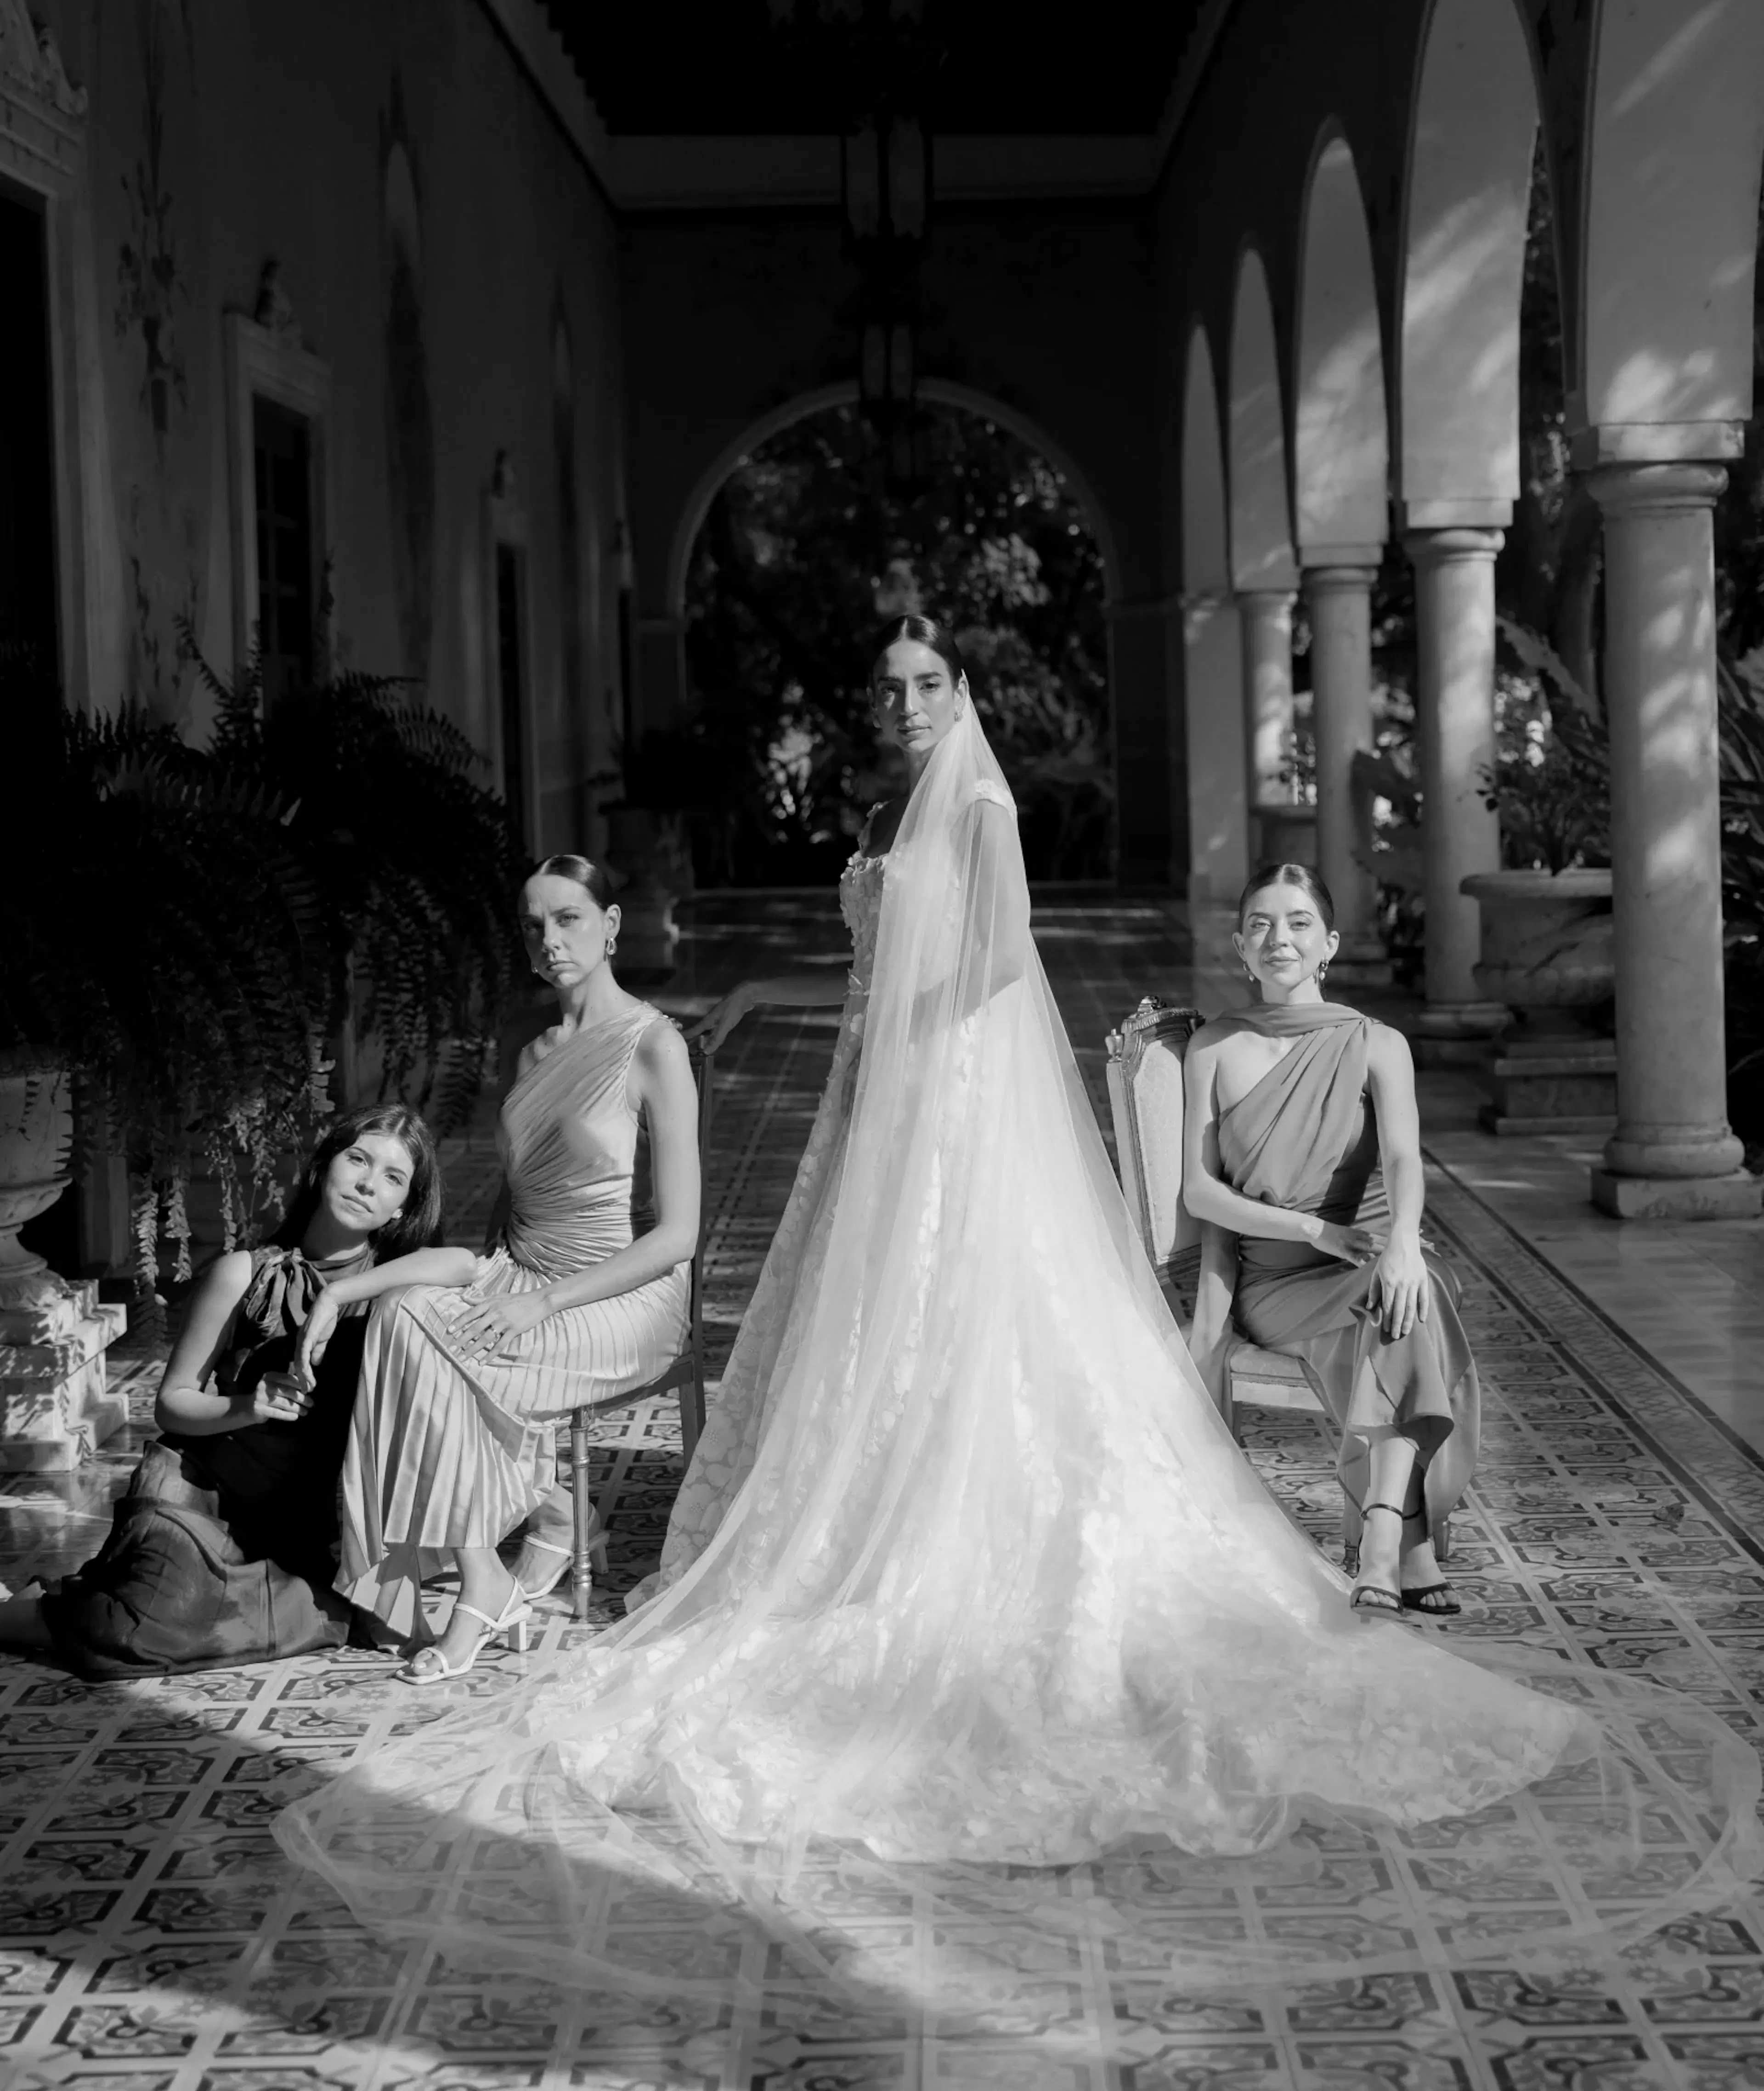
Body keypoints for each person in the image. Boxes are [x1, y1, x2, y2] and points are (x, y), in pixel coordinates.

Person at [278, 617, 1759, 2010]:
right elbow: (878, 964)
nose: (905, 705)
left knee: (973, 1317)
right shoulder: (875, 822)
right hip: (885, 1081)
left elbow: (990, 966)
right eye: (890, 688)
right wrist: (866, 1053)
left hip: (960, 1088)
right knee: (868, 1331)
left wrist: (906, 1052)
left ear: (961, 696)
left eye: (927, 685)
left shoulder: (977, 814)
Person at [300, 853, 700, 1680]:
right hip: (521, 1272)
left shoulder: (655, 1044)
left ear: (612, 927)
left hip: (622, 1293)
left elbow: (679, 1237)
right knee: (403, 1313)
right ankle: (521, 1544)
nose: (549, 939)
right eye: (533, 924)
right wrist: (346, 1287)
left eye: (569, 919)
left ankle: (502, 1566)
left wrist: (543, 1303)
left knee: (435, 1341)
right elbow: (504, 1222)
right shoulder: (524, 1040)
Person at [0, 1106, 448, 1678]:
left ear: (403, 1207)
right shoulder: (244, 1272)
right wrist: (248, 1405)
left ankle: (105, 1595)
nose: (367, 1184)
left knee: (325, 1619)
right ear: (323, 1166)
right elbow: (173, 1403)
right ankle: (24, 1616)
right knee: (134, 1631)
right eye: (357, 1159)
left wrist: (339, 1297)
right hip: (197, 1497)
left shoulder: (403, 1284)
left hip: (295, 1527)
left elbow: (469, 1266)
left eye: (393, 1177)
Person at [1182, 863, 1476, 1617]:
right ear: (1241, 950)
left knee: (1412, 1283)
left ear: (1330, 945)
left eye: (1298, 923)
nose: (1279, 938)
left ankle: (1383, 1543)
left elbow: (1407, 1156)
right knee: (1410, 1293)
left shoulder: (1379, 1043)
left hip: (1370, 1258)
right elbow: (1200, 1191)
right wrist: (1313, 1228)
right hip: (1277, 1282)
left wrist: (1405, 1239)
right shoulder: (1213, 1048)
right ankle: (1402, 1544)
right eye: (1260, 925)